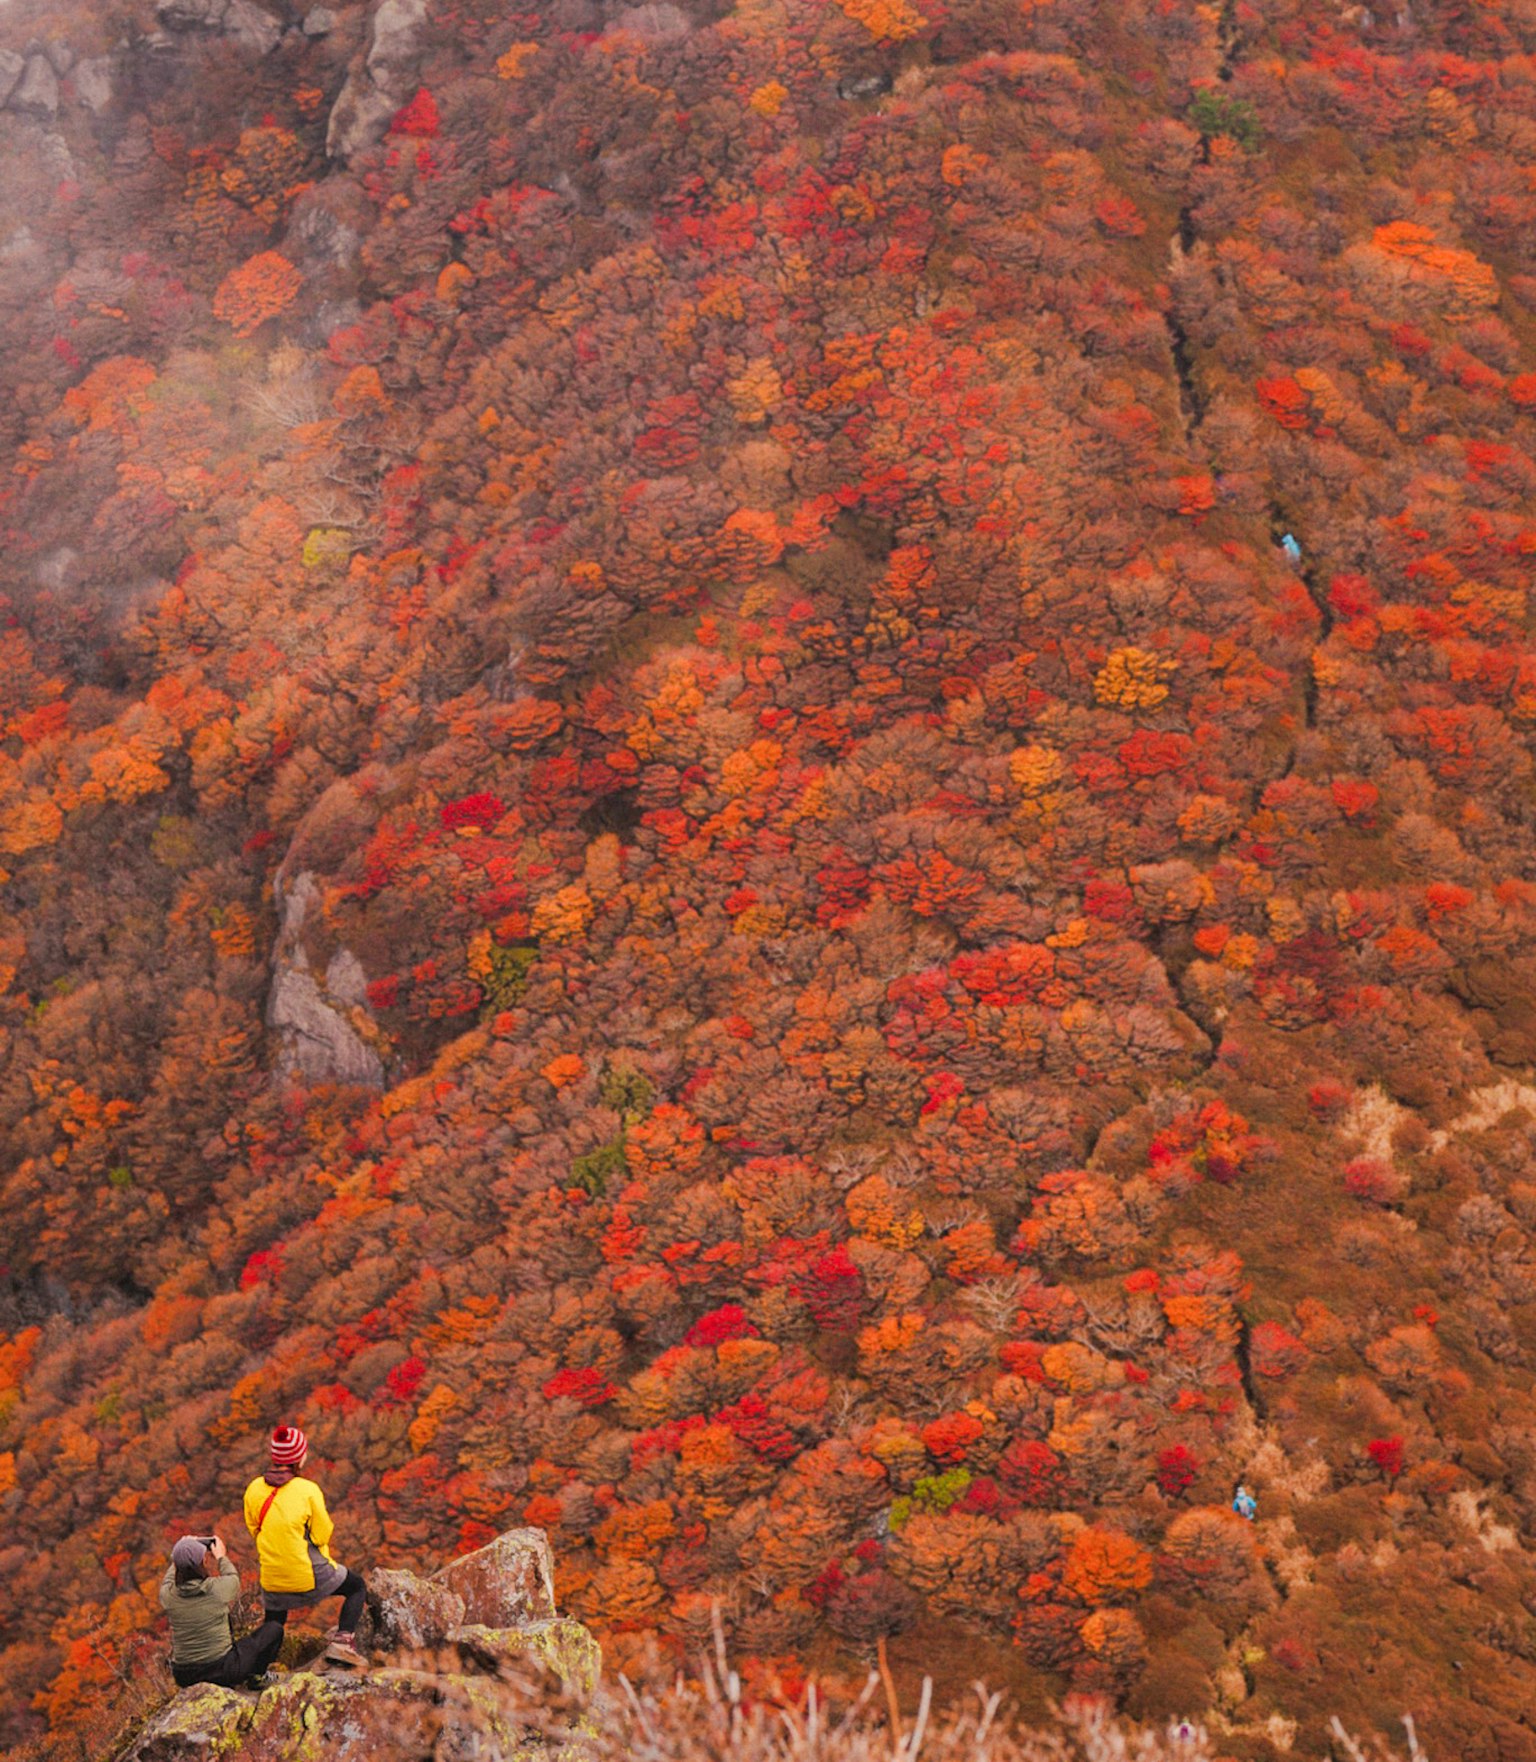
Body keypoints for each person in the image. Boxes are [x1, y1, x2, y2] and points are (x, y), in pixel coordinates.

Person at [244, 1424, 368, 1668]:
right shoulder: (307, 1490)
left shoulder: (254, 1489)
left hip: (272, 1577)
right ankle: (343, 1644)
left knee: (275, 1623)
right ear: (299, 1458)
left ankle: (258, 1671)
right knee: (357, 1587)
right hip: (308, 1575)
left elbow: (254, 1529)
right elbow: (322, 1535)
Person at [159, 1533, 284, 1690]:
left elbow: (170, 1577)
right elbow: (232, 1576)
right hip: (224, 1670)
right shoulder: (218, 1589)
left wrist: (181, 1551)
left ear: (176, 1565)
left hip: (185, 1676)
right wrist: (221, 1557)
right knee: (274, 1629)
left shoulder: (168, 1595)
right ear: (203, 1561)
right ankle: (258, 1677)